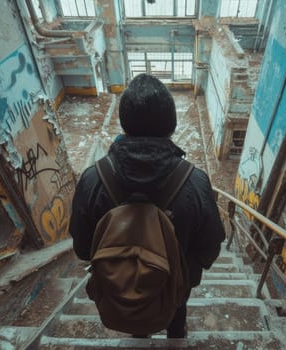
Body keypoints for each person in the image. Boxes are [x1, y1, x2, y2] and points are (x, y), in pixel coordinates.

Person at [69, 73, 226, 338]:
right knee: (175, 310)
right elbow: (209, 249)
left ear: (124, 124)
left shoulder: (94, 179)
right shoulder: (195, 182)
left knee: (137, 311)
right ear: (172, 126)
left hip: (121, 289)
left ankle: (139, 333)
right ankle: (176, 333)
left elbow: (83, 248)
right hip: (174, 287)